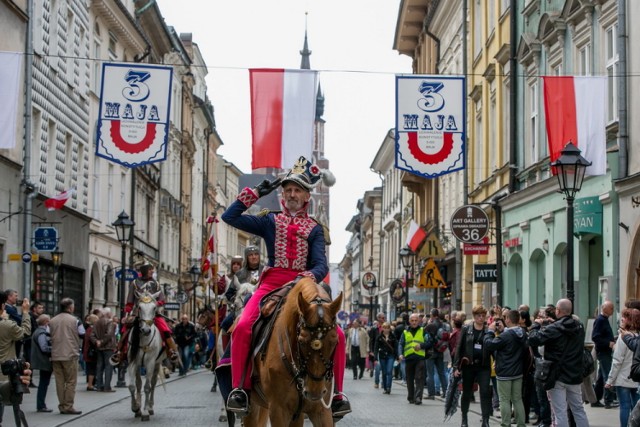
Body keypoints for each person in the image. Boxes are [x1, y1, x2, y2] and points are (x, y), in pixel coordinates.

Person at [221, 155, 350, 419]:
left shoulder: (315, 228)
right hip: (271, 284)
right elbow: (229, 216)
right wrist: (256, 192)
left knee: (338, 333)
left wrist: (306, 276)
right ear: (282, 194)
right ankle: (240, 390)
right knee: (244, 326)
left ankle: (337, 395)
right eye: (288, 189)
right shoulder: (269, 220)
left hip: (303, 286)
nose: (292, 194)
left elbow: (321, 265)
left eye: (297, 190)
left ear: (306, 197)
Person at [528, 298, 589, 427]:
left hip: (557, 375)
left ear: (558, 310)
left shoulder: (554, 328)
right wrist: (553, 324)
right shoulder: (579, 326)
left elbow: (533, 339)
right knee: (578, 410)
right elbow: (565, 329)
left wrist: (536, 325)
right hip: (574, 375)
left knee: (560, 412)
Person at [111, 263, 179, 365]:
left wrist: (155, 303)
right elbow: (129, 301)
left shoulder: (156, 283)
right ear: (145, 271)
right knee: (125, 329)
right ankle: (119, 352)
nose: (152, 271)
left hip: (153, 313)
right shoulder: (134, 283)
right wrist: (127, 315)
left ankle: (172, 351)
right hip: (137, 313)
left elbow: (162, 299)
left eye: (152, 270)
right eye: (150, 270)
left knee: (165, 329)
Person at [484, 309, 527, 427]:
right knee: (517, 399)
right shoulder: (522, 333)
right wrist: (503, 330)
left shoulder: (506, 335)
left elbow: (489, 344)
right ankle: (521, 424)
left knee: (504, 400)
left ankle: (505, 424)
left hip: (504, 372)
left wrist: (490, 331)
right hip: (518, 371)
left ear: (508, 319)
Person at [453, 305, 492, 427]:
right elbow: (459, 348)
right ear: (474, 317)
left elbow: (493, 348)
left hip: (484, 366)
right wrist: (456, 367)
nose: (481, 318)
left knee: (485, 392)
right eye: (478, 316)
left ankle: (485, 420)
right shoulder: (466, 329)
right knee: (467, 393)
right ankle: (464, 419)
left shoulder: (488, 330)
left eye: (483, 316)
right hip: (468, 365)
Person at [49, 298, 85, 415]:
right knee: (70, 381)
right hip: (70, 354)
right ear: (70, 308)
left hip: (56, 354)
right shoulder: (75, 320)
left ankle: (62, 405)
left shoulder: (52, 320)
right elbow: (82, 334)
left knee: (59, 381)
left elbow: (47, 334)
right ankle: (68, 405)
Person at [605, 307, 640, 427]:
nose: (621, 319)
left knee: (624, 406)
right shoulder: (637, 336)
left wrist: (610, 380)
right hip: (636, 378)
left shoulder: (623, 337)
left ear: (630, 320)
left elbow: (617, 360)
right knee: (636, 406)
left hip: (623, 378)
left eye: (624, 318)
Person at [398, 313, 431, 405]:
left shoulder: (423, 330)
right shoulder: (405, 332)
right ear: (409, 321)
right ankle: (411, 397)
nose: (414, 322)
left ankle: (418, 398)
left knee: (419, 378)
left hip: (420, 358)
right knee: (409, 379)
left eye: (416, 320)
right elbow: (401, 344)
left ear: (419, 321)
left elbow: (430, 342)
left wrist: (421, 345)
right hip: (408, 358)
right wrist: (400, 354)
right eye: (412, 321)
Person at [593, 300, 618, 408]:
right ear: (604, 308)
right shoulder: (600, 320)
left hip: (605, 351)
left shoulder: (604, 320)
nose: (613, 310)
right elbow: (595, 337)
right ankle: (608, 400)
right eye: (611, 308)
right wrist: (609, 343)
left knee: (601, 377)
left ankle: (595, 399)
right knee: (608, 375)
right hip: (603, 352)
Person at [31, 314, 53, 412]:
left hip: (42, 361)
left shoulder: (39, 332)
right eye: (49, 321)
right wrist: (54, 349)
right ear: (46, 322)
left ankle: (41, 404)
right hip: (44, 362)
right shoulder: (41, 333)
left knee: (43, 383)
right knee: (43, 384)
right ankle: (41, 405)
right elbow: (44, 348)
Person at [91, 308, 117, 392]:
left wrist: (97, 342)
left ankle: (99, 386)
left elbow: (92, 335)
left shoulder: (96, 322)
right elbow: (109, 334)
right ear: (108, 314)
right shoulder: (109, 322)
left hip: (99, 348)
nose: (111, 314)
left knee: (99, 366)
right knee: (108, 367)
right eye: (110, 313)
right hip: (108, 347)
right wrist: (102, 342)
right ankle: (107, 387)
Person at [374, 321, 397, 394]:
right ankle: (384, 387)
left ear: (389, 329)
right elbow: (376, 348)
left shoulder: (393, 336)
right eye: (385, 328)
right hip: (382, 356)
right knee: (384, 372)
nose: (386, 329)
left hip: (391, 355)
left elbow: (396, 346)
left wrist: (397, 356)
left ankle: (388, 387)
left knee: (389, 371)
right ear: (382, 328)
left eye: (387, 328)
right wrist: (375, 358)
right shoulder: (379, 337)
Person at [4, 289, 24, 358]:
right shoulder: (8, 309)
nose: (17, 298)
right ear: (9, 297)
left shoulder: (13, 308)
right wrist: (25, 312)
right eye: (15, 296)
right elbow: (19, 319)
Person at [368, 312, 386, 387]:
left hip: (385, 350)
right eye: (382, 318)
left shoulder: (386, 327)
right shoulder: (374, 329)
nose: (383, 319)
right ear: (378, 318)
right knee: (378, 367)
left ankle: (383, 382)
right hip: (377, 349)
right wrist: (371, 351)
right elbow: (371, 340)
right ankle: (377, 382)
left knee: (384, 367)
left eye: (384, 318)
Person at [83, 313, 98, 391]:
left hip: (88, 351)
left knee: (90, 368)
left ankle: (91, 384)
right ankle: (90, 385)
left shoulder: (88, 328)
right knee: (92, 369)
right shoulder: (91, 329)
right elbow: (92, 340)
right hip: (91, 352)